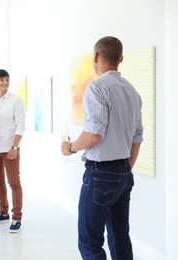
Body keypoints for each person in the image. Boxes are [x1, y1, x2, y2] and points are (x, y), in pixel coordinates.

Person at [61, 36, 143, 260]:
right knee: (120, 238)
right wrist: (126, 168)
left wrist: (70, 147)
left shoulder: (96, 88)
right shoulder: (132, 92)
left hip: (100, 174)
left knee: (90, 243)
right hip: (124, 172)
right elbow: (137, 137)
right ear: (121, 59)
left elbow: (93, 133)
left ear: (96, 57)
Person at [0, 69, 26, 233]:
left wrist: (14, 147)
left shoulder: (16, 100)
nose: (5, 82)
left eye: (7, 79)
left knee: (14, 183)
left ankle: (16, 217)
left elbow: (21, 125)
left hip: (10, 148)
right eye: (1, 80)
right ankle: (3, 213)